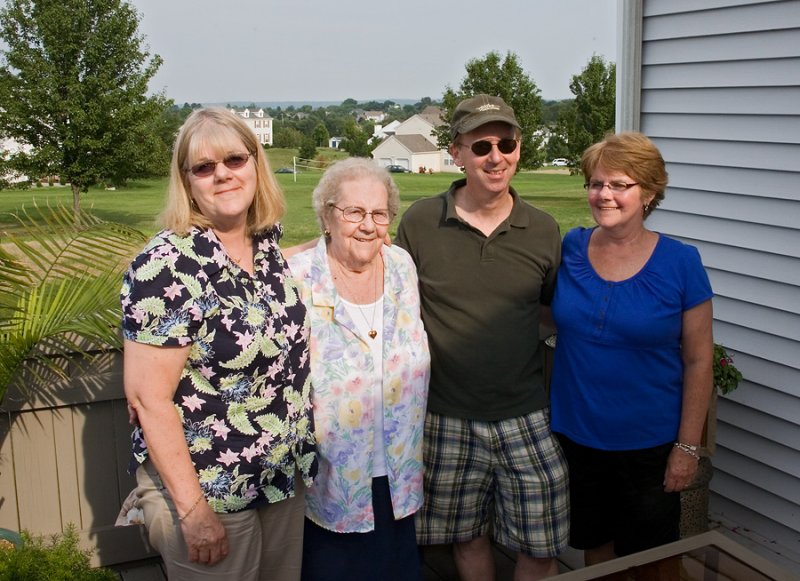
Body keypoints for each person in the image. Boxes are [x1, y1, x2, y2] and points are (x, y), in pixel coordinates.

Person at [120, 107, 317, 581]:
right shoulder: (166, 266)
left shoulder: (264, 245)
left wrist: (342, 240)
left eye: (234, 159)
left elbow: (246, 294)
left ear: (256, 164)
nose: (223, 174)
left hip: (278, 479)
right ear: (187, 182)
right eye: (204, 167)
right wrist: (194, 513)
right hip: (210, 490)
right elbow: (148, 399)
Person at [394, 94, 569, 580]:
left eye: (507, 144)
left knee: (543, 544)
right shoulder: (420, 221)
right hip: (446, 414)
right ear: (457, 154)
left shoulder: (542, 229)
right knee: (465, 536)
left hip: (526, 413)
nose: (497, 156)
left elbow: (553, 311)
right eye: (482, 146)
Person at [549, 132, 714, 567]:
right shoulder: (570, 248)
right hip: (577, 437)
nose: (604, 194)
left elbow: (699, 360)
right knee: (596, 552)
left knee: (654, 560)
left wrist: (688, 448)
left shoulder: (681, 263)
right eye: (596, 183)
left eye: (619, 185)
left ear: (650, 191)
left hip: (650, 447)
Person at [285, 158, 430, 581]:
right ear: (327, 216)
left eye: (379, 213)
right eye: (354, 212)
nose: (368, 225)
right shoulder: (297, 276)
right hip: (330, 478)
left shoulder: (401, 266)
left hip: (399, 470)